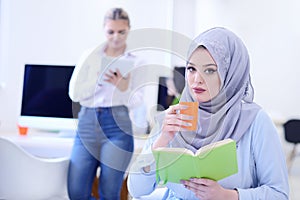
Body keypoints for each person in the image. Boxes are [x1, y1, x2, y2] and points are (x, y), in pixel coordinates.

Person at [127, 27, 289, 200]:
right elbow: (136, 190)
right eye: (191, 69)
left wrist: (227, 196)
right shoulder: (174, 117)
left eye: (210, 70)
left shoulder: (256, 121)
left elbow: (279, 194)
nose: (197, 79)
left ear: (230, 73)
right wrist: (160, 142)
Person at [68, 7, 145, 200]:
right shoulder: (90, 56)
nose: (116, 37)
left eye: (121, 32)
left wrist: (123, 87)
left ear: (129, 29)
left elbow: (138, 100)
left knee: (110, 193)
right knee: (76, 192)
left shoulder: (137, 61)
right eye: (111, 31)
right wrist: (97, 79)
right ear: (104, 29)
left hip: (117, 126)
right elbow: (74, 94)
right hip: (87, 123)